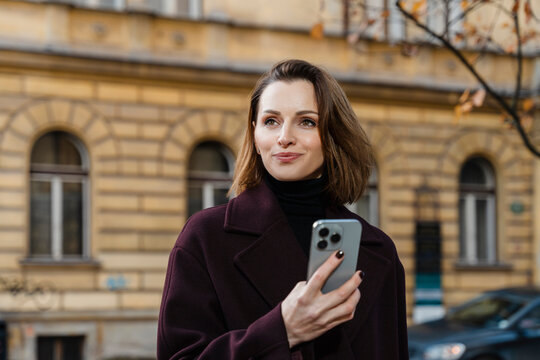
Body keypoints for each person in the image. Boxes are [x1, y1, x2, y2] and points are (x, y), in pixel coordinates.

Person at [157, 59, 408, 359]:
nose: (284, 137)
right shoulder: (205, 238)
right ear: (254, 134)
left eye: (307, 121)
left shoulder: (379, 250)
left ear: (333, 135)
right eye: (271, 121)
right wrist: (282, 330)